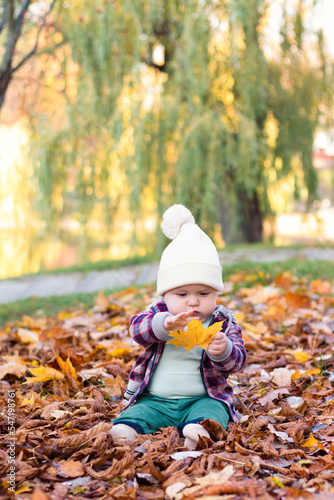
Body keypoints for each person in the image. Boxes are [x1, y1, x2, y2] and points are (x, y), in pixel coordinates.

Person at [110, 204, 247, 449]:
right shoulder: (159, 314)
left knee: (214, 410)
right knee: (137, 415)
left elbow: (238, 362)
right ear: (166, 294)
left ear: (216, 292)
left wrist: (224, 350)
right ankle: (128, 430)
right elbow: (136, 331)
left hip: (203, 397)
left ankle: (198, 431)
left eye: (204, 293)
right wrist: (163, 325)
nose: (193, 301)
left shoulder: (221, 322)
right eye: (182, 294)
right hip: (155, 400)